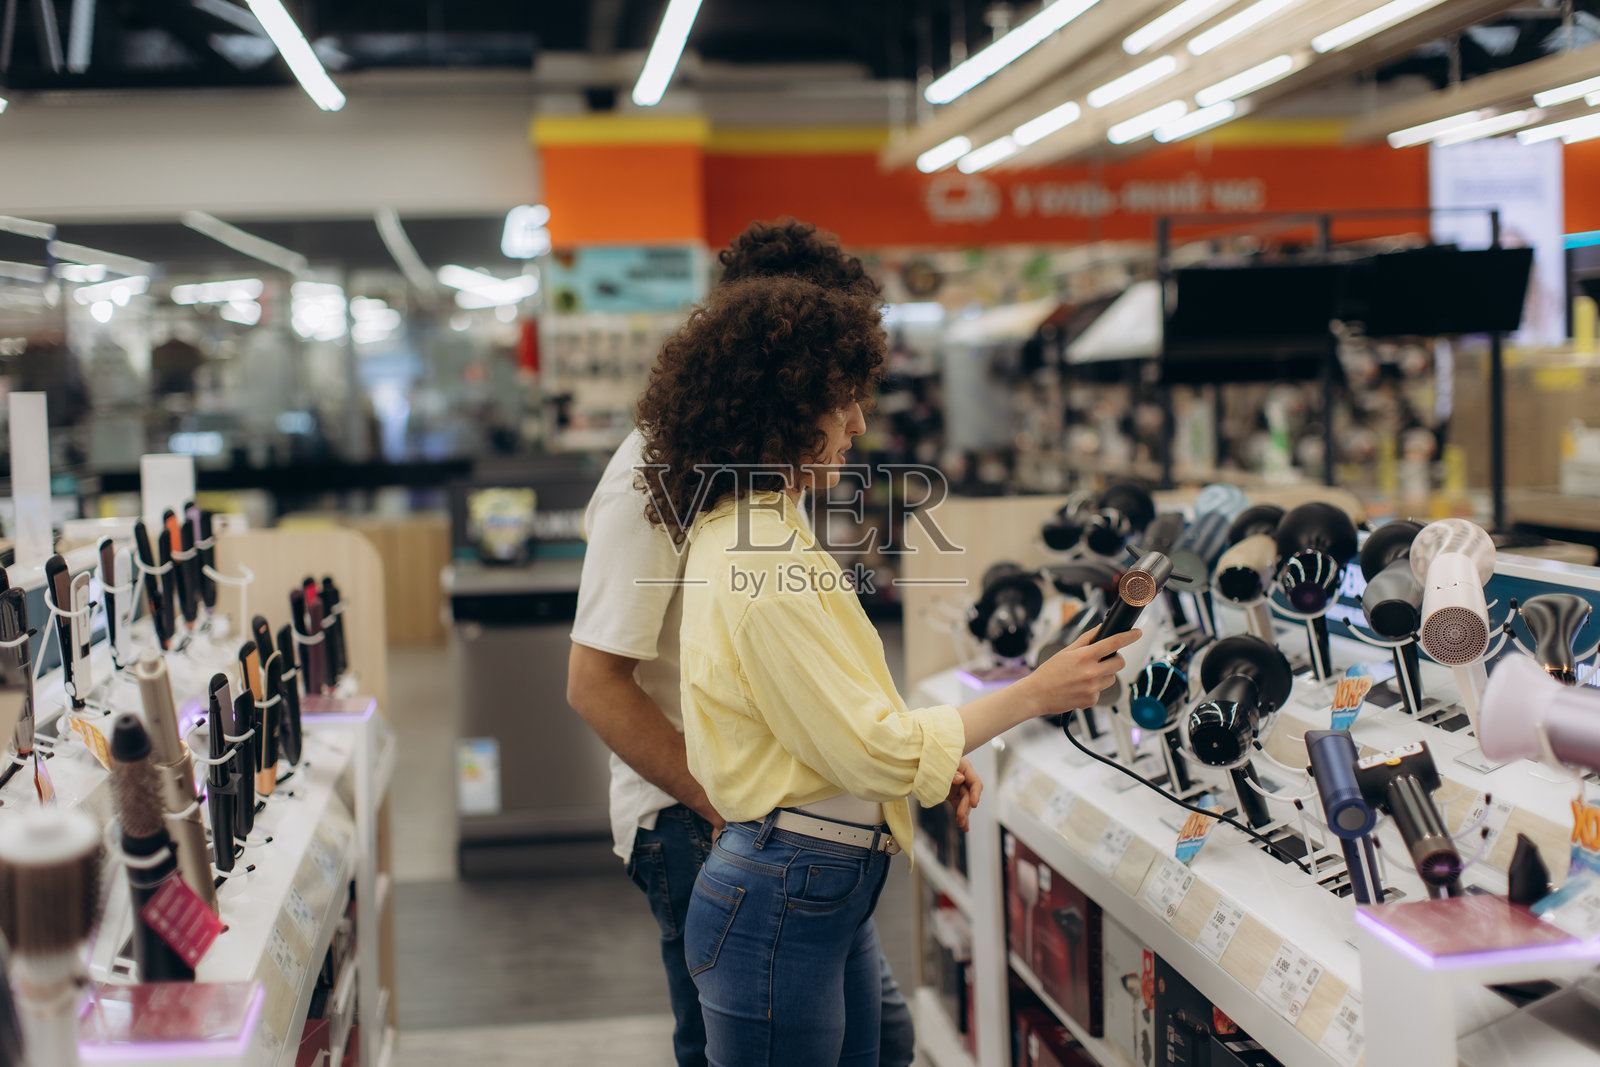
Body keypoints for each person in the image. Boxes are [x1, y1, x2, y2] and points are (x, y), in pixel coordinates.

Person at [633, 275, 1139, 1066]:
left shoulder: (760, 529)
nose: (859, 424)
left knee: (888, 1042)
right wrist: (1033, 693)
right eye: (843, 404)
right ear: (787, 410)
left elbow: (835, 709)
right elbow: (870, 745)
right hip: (782, 892)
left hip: (812, 880)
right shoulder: (756, 561)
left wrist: (926, 762)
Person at [567, 219, 913, 1067]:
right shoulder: (655, 472)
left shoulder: (760, 459)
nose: (850, 409)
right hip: (700, 819)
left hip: (785, 817)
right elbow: (595, 681)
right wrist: (722, 803)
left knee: (883, 1039)